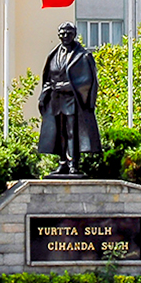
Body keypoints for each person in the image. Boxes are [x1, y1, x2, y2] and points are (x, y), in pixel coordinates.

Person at [38, 22, 102, 176]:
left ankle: (73, 163)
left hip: (73, 100)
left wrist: (68, 86)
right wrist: (44, 95)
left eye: (69, 33)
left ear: (74, 34)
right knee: (60, 132)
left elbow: (88, 80)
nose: (65, 36)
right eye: (62, 33)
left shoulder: (83, 55)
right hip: (56, 99)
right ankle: (62, 163)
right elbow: (48, 77)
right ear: (58, 34)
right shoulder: (53, 54)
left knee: (72, 132)